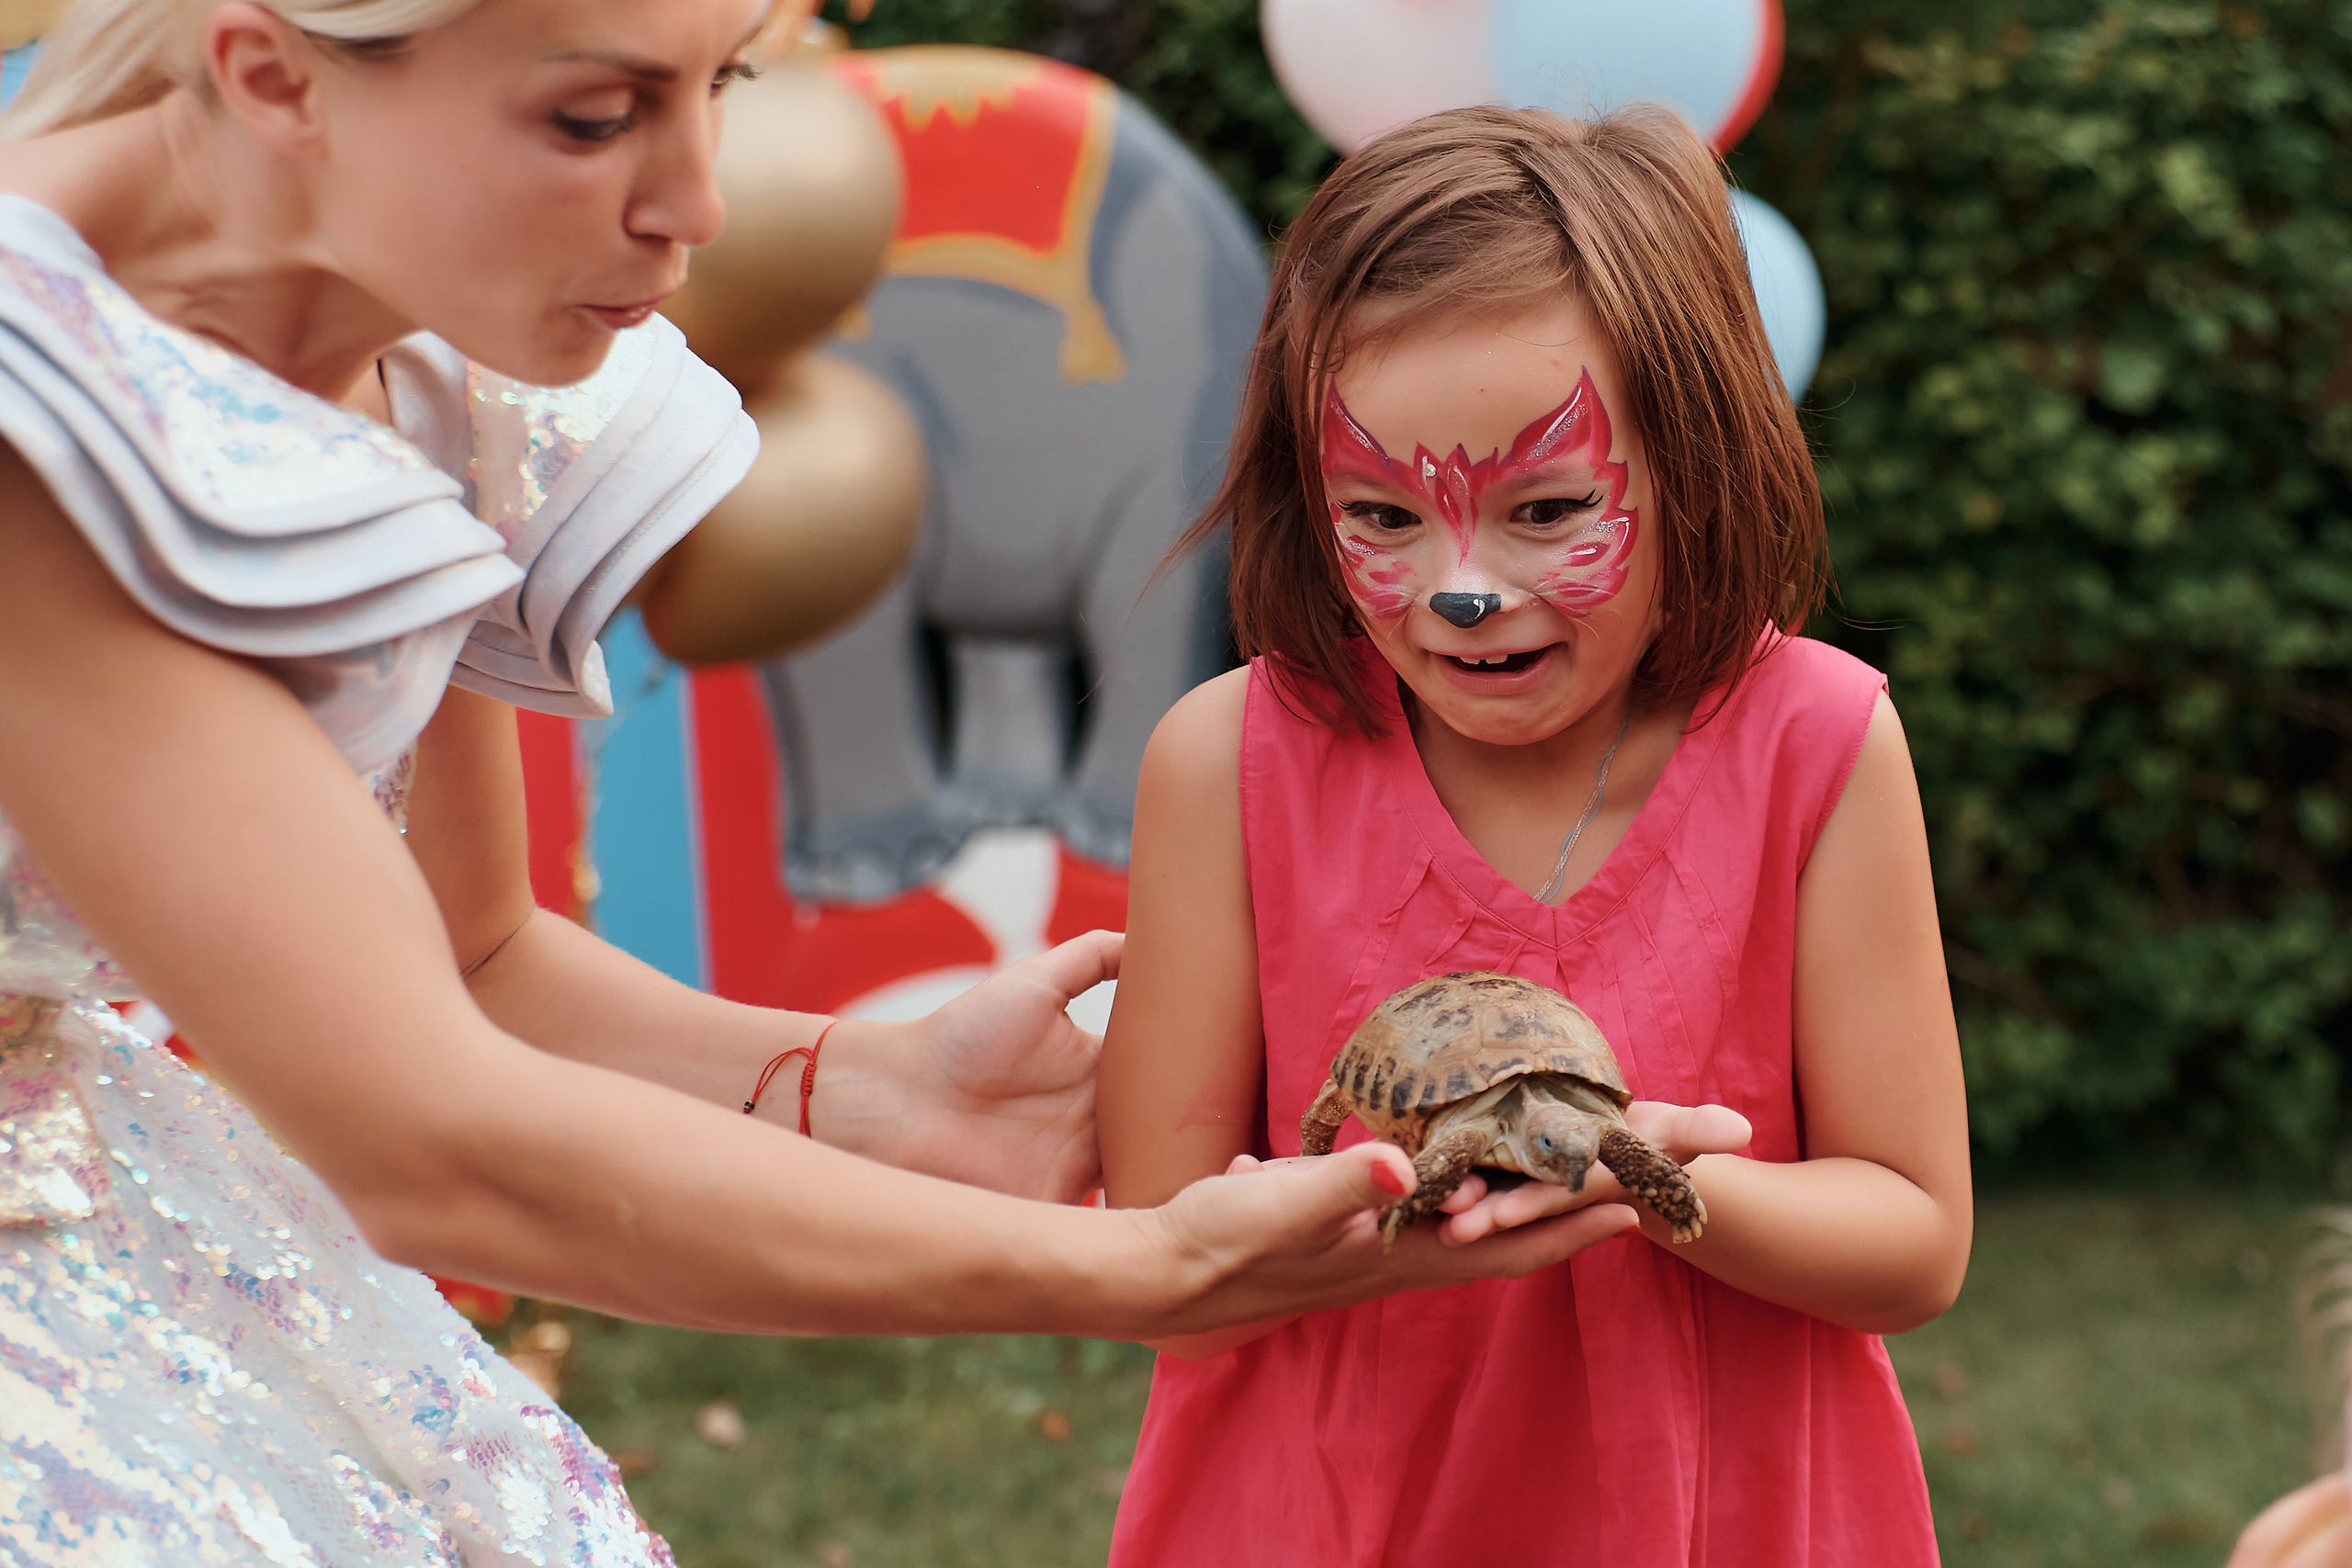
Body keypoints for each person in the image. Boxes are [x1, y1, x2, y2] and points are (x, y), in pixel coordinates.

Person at [0, 4, 1637, 1562]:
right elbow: (434, 1139)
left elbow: (469, 960)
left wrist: (862, 1091)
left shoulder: (387, 332)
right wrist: (1123, 1272)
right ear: (274, 78)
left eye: (725, 81)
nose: (695, 203)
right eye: (594, 116)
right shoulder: (37, 423)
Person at [1098, 105, 1973, 1566]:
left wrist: (1636, 1175)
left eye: (1549, 507)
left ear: (1691, 463)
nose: (1460, 588)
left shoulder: (1816, 746)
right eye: (1380, 512)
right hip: (1329, 1511)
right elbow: (1158, 1233)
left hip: (1723, 1517)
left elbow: (1913, 1238)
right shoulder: (1225, 765)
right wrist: (1356, 1212)